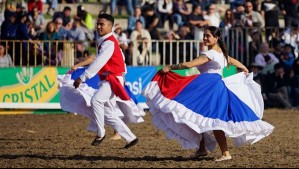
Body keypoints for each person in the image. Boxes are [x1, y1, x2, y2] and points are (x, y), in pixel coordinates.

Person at [142, 26, 274, 161]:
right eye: (204, 35)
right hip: (212, 86)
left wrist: (170, 67)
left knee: (213, 120)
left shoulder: (211, 54)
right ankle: (202, 149)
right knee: (202, 117)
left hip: (209, 87)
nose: (205, 38)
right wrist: (243, 67)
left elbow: (190, 65)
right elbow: (231, 60)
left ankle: (226, 153)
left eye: (208, 36)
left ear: (216, 38)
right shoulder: (221, 53)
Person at [72, 13, 142, 148]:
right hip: (111, 79)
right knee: (108, 112)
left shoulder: (109, 42)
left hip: (112, 79)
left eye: (101, 24)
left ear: (110, 27)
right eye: (97, 24)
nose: (98, 26)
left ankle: (100, 133)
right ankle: (130, 138)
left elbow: (99, 62)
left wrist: (82, 77)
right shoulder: (108, 41)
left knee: (96, 101)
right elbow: (120, 59)